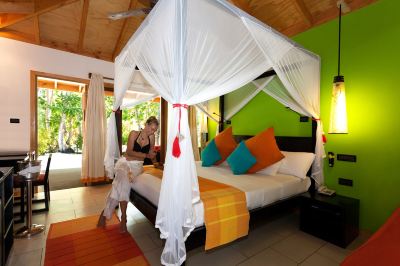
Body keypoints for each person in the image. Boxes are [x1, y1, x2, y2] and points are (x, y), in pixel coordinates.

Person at [97, 116, 159, 232]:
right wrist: (145, 156)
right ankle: (124, 217)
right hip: (124, 163)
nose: (152, 132)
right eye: (151, 128)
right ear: (146, 125)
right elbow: (128, 152)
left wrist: (154, 160)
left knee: (119, 185)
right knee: (124, 182)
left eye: (154, 130)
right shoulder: (134, 134)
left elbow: (150, 152)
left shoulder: (152, 137)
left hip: (137, 167)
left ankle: (104, 214)